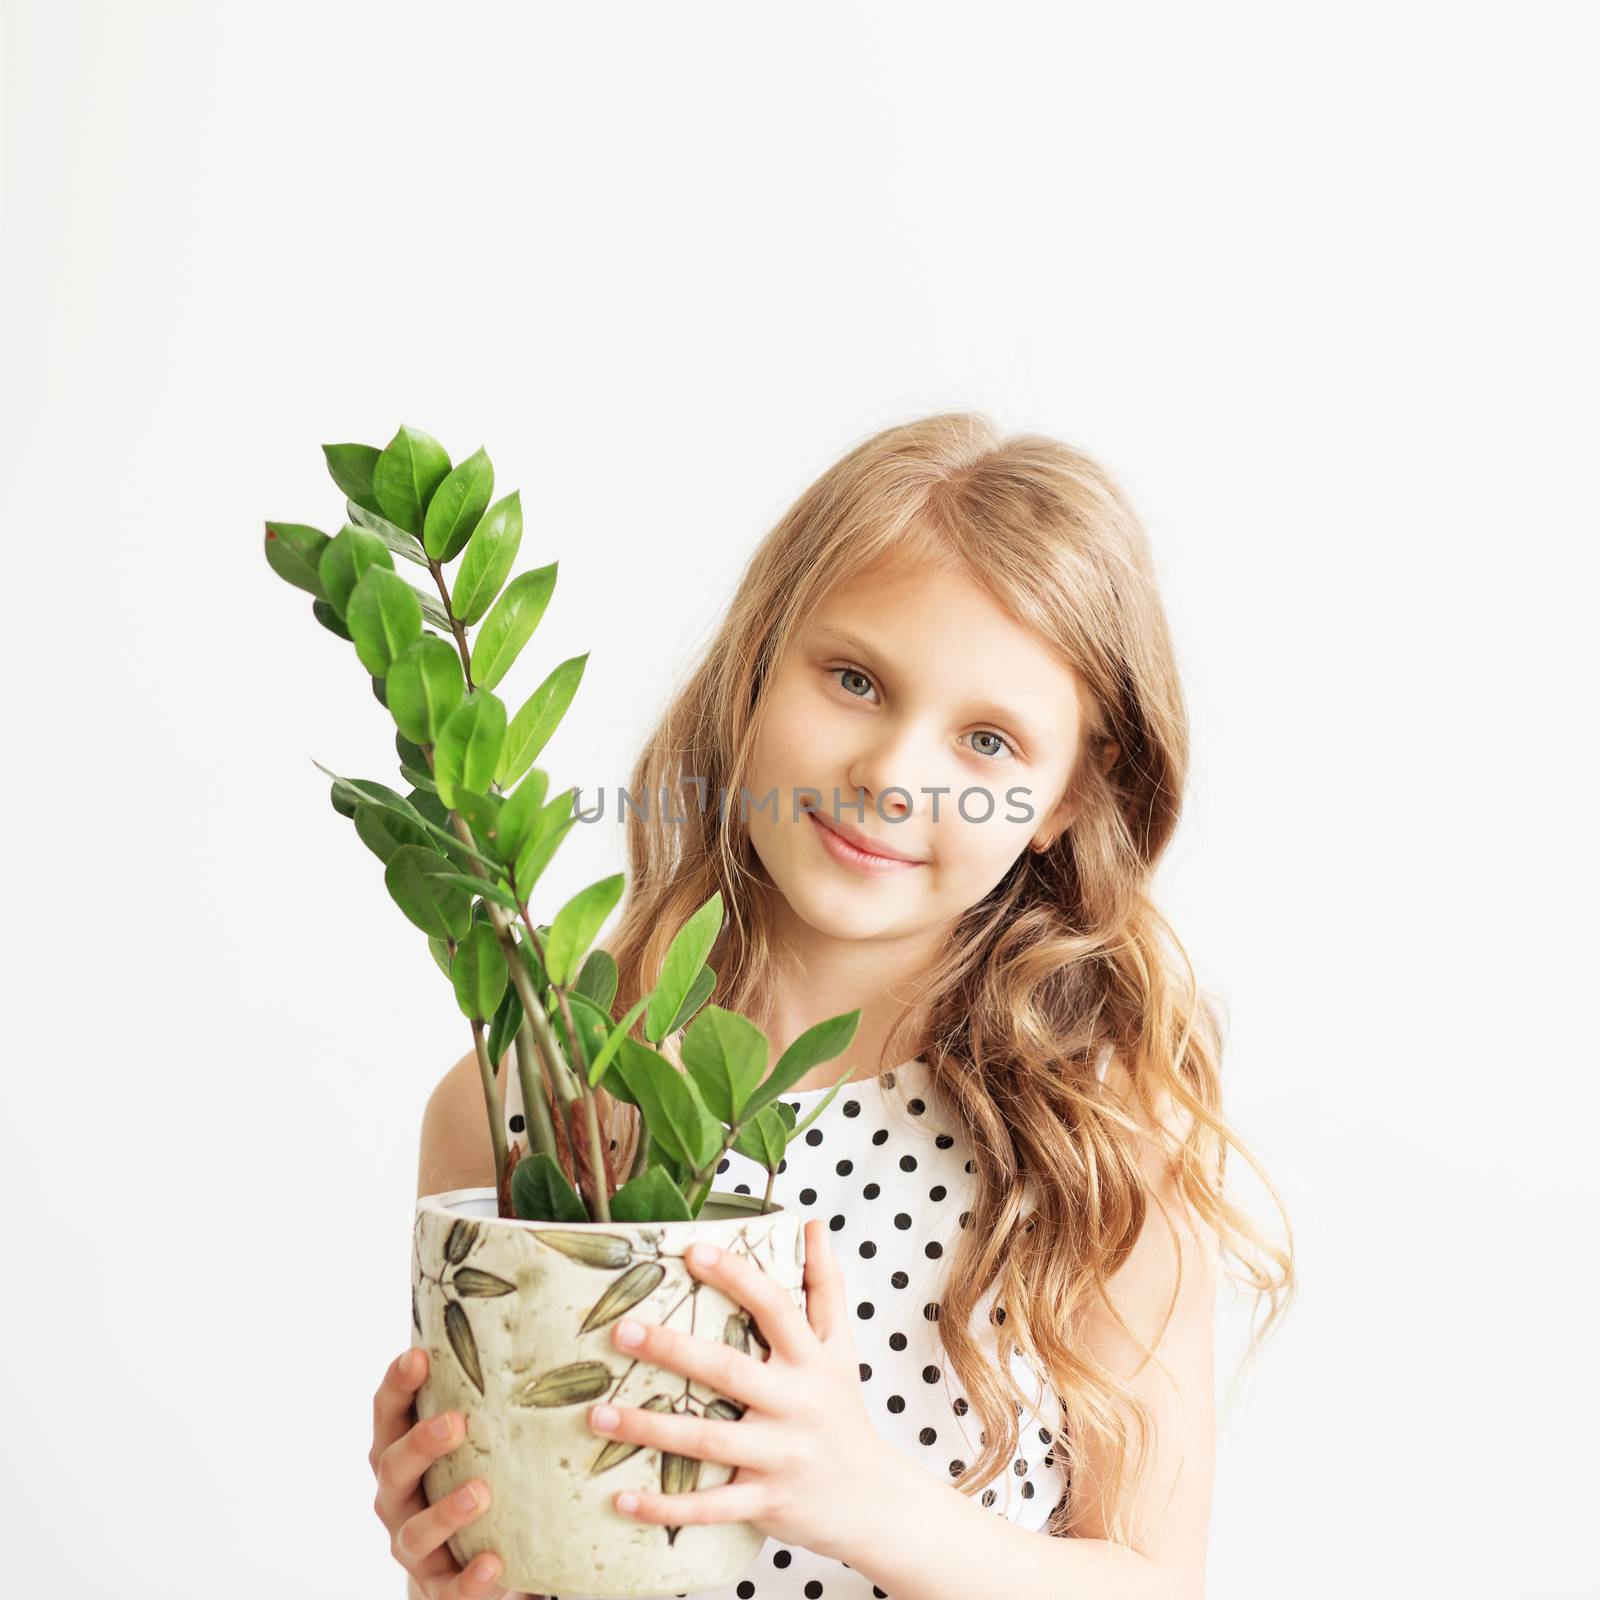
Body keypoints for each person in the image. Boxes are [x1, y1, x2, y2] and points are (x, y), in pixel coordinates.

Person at [370, 411, 1294, 1599]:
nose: (895, 776)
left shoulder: (1093, 1137)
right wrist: (454, 1560)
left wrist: (862, 1499)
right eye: (855, 679)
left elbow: (1158, 1585)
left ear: (1070, 796)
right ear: (757, 662)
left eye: (988, 741)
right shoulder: (525, 1108)